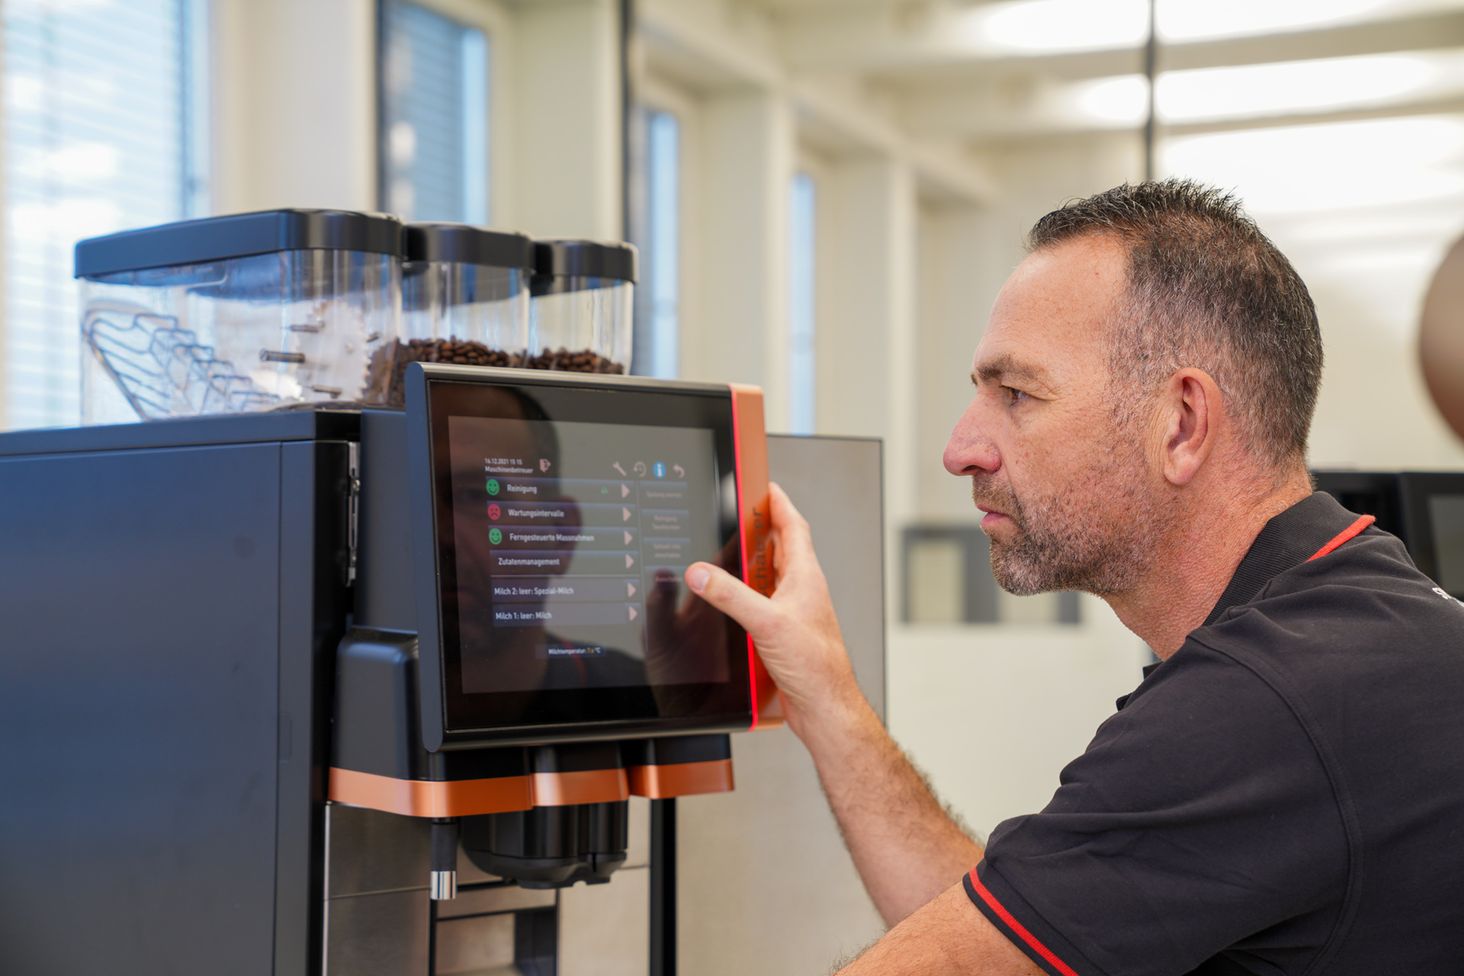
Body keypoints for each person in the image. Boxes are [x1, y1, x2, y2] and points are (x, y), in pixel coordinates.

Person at [684, 180, 1464, 975]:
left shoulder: (1261, 702)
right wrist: (825, 694)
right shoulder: (1354, 618)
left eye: (1017, 393)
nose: (961, 449)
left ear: (1183, 422)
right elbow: (1028, 934)